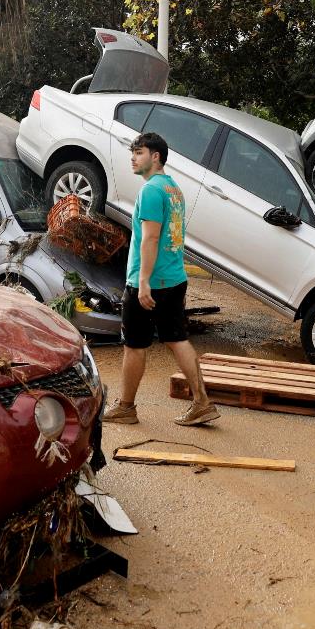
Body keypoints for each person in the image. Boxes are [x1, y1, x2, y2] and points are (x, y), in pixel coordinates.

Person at [102, 132, 219, 426]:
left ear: (156, 156)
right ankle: (202, 402)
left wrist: (142, 282)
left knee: (134, 345)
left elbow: (151, 238)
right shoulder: (173, 190)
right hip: (174, 278)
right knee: (177, 339)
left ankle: (126, 407)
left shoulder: (151, 191)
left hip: (151, 284)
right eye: (133, 153)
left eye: (139, 152)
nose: (133, 157)